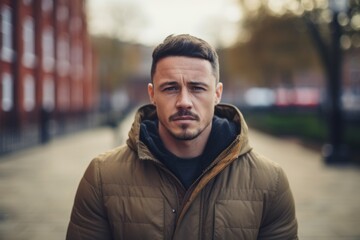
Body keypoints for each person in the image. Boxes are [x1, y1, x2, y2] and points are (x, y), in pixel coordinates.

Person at [66, 34, 298, 239]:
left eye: (197, 88)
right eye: (170, 88)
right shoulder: (101, 177)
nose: (184, 102)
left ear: (217, 94)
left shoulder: (270, 182)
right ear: (152, 94)